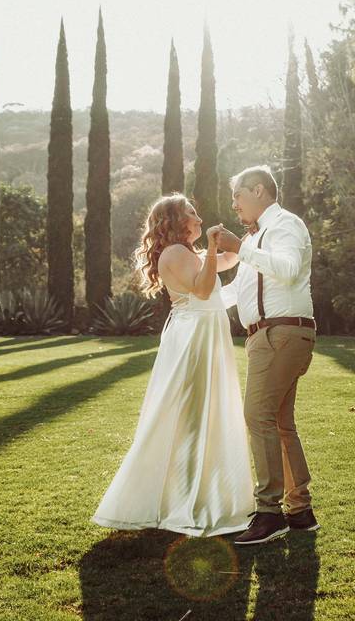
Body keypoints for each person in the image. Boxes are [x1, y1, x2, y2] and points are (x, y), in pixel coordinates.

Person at [91, 194, 255, 536]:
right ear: (174, 222)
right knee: (193, 414)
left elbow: (230, 259)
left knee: (199, 413)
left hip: (200, 333)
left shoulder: (187, 253)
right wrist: (211, 249)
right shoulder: (178, 253)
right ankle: (186, 499)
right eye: (191, 213)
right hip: (195, 338)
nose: (198, 218)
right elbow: (203, 287)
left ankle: (198, 492)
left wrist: (248, 238)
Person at [217, 166, 319, 546]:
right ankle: (299, 510)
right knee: (278, 422)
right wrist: (192, 298)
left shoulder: (284, 226)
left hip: (282, 333)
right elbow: (237, 292)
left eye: (238, 195)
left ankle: (268, 512)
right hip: (269, 336)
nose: (234, 204)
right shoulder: (257, 238)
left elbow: (290, 271)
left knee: (256, 415)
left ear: (259, 190)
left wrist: (239, 248)